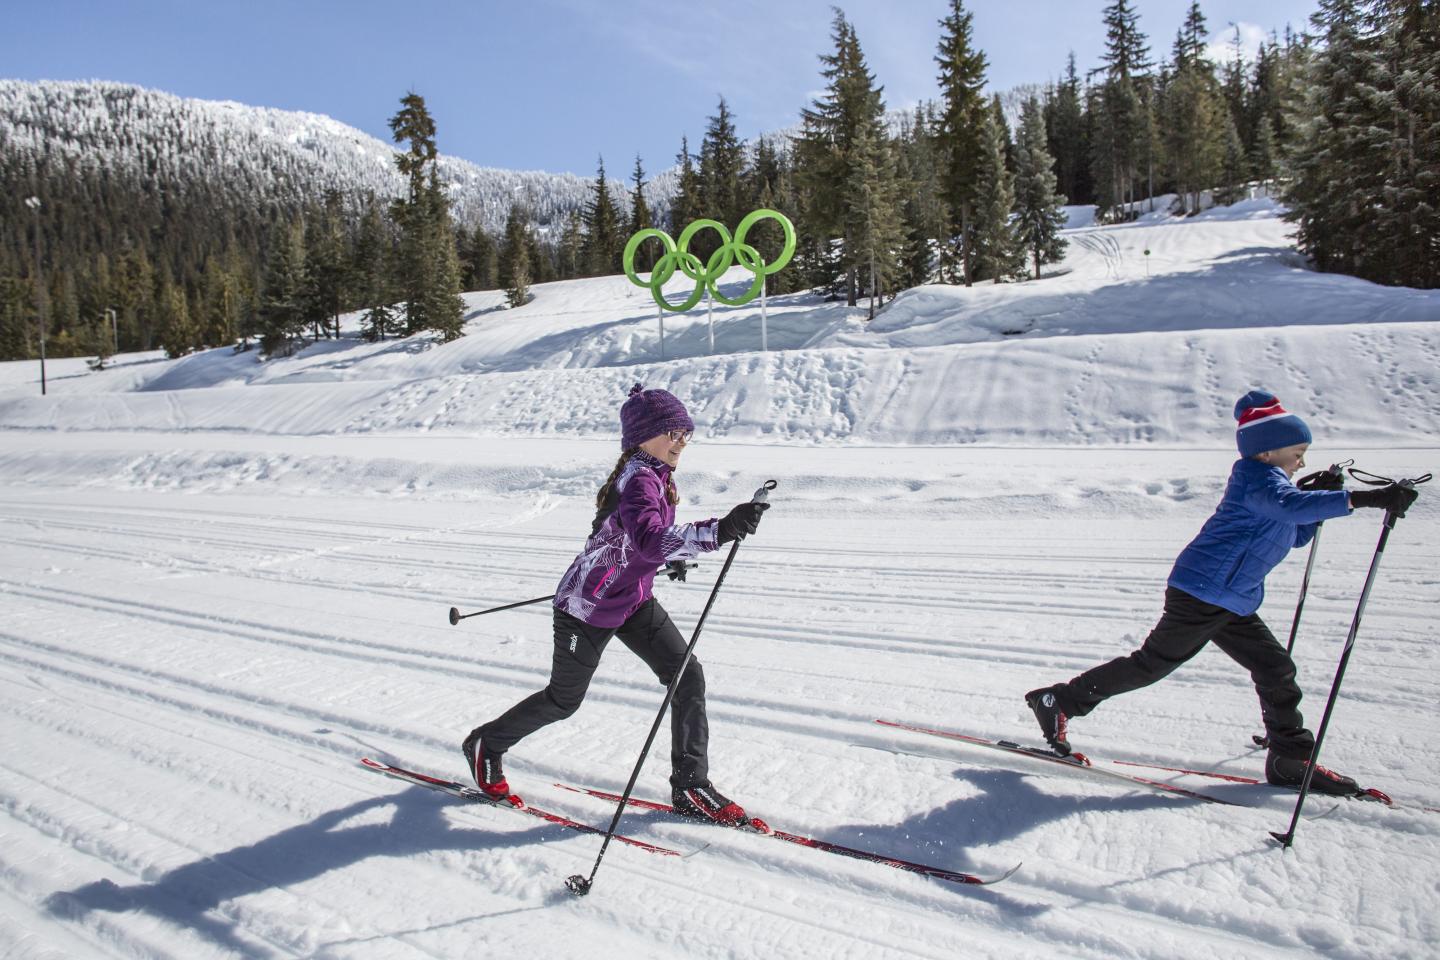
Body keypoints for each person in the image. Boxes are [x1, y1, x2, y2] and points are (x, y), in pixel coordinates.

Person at [1025, 390, 1420, 795]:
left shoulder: (1277, 488)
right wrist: (1364, 498)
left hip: (1231, 598)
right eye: (1298, 453)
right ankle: (1059, 701)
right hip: (1202, 591)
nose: (1302, 462)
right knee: (1151, 664)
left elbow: (1296, 531)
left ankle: (1289, 760)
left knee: (1276, 669)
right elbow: (1289, 507)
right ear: (1267, 452)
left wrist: (1316, 498)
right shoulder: (1256, 480)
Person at [462, 383, 770, 825]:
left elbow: (623, 539)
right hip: (586, 609)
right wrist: (719, 530)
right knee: (563, 701)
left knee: (686, 676)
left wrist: (665, 559)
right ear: (643, 436)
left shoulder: (657, 475)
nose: (682, 442)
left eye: (686, 433)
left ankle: (690, 785)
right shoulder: (639, 480)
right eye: (673, 433)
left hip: (632, 600)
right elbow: (649, 539)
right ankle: (487, 744)